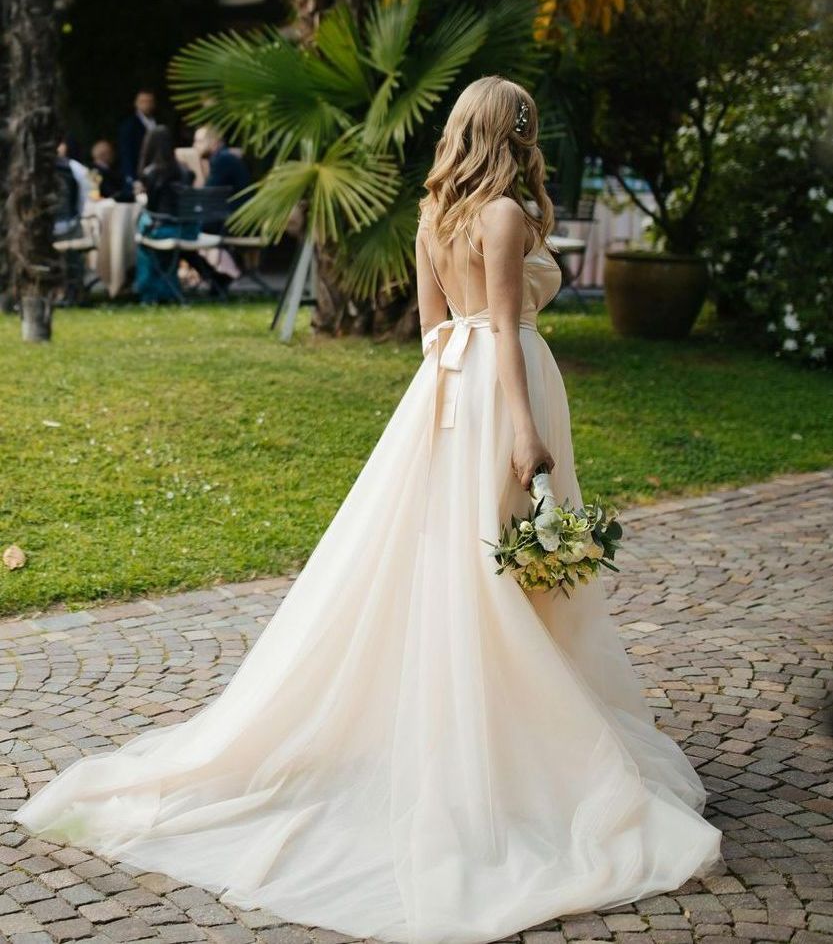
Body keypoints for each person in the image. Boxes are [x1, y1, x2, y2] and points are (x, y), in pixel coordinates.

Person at [15, 77, 722, 943]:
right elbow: (503, 327)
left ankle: (475, 720)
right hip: (504, 392)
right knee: (503, 564)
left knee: (466, 558)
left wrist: (446, 408)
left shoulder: (437, 214)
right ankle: (502, 742)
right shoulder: (501, 216)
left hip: (444, 393)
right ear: (515, 132)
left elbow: (436, 331)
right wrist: (523, 433)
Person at [136, 125, 231, 298]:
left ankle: (151, 289)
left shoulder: (152, 173)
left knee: (142, 235)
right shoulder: (185, 172)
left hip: (167, 230)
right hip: (188, 230)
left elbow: (153, 210)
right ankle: (214, 278)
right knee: (180, 246)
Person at [118, 89, 157, 194]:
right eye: (143, 101)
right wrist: (132, 179)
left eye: (149, 101)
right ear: (136, 103)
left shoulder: (157, 123)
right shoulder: (129, 126)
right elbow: (126, 154)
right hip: (138, 174)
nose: (146, 105)